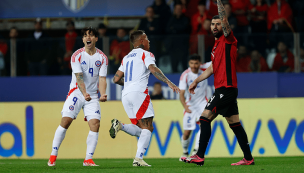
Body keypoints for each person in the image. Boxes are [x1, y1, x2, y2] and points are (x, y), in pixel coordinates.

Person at [181, 0, 254, 166]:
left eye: (218, 24)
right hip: (224, 88)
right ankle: (248, 158)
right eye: (212, 24)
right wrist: (196, 81)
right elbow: (212, 69)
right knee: (235, 123)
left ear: (224, 26)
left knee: (204, 118)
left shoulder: (229, 40)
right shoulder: (215, 46)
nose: (214, 26)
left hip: (226, 89)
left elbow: (225, 21)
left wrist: (219, 3)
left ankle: (199, 155)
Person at [109, 30, 180, 166]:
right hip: (139, 93)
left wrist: (129, 83)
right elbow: (153, 69)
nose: (149, 41)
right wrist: (168, 82)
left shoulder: (126, 57)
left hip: (126, 95)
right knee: (148, 128)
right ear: (141, 41)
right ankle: (138, 159)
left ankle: (121, 126)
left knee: (140, 129)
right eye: (147, 38)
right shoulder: (146, 54)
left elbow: (116, 79)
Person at [47, 27, 108, 167]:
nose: (88, 38)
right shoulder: (76, 55)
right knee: (66, 121)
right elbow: (79, 77)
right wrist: (84, 92)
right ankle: (53, 154)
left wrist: (103, 93)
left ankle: (88, 159)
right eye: (85, 36)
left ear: (96, 39)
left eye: (91, 35)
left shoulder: (102, 58)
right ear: (82, 40)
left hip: (92, 95)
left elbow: (102, 78)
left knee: (95, 124)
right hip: (77, 92)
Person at [179, 54, 211, 161]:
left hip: (203, 103)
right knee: (187, 132)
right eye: (192, 63)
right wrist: (185, 106)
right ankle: (184, 152)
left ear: (199, 63)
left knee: (204, 125)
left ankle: (196, 150)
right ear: (189, 63)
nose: (194, 65)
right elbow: (181, 93)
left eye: (196, 63)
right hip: (190, 105)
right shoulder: (185, 75)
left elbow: (217, 61)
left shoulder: (205, 68)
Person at [166, 3, 190, 73]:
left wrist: (174, 28)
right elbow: (167, 29)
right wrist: (177, 28)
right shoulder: (171, 19)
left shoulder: (185, 18)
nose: (178, 10)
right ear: (174, 10)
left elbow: (184, 28)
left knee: (184, 66)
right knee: (174, 66)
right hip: (173, 46)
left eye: (180, 9)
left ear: (182, 10)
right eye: (177, 9)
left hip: (183, 46)